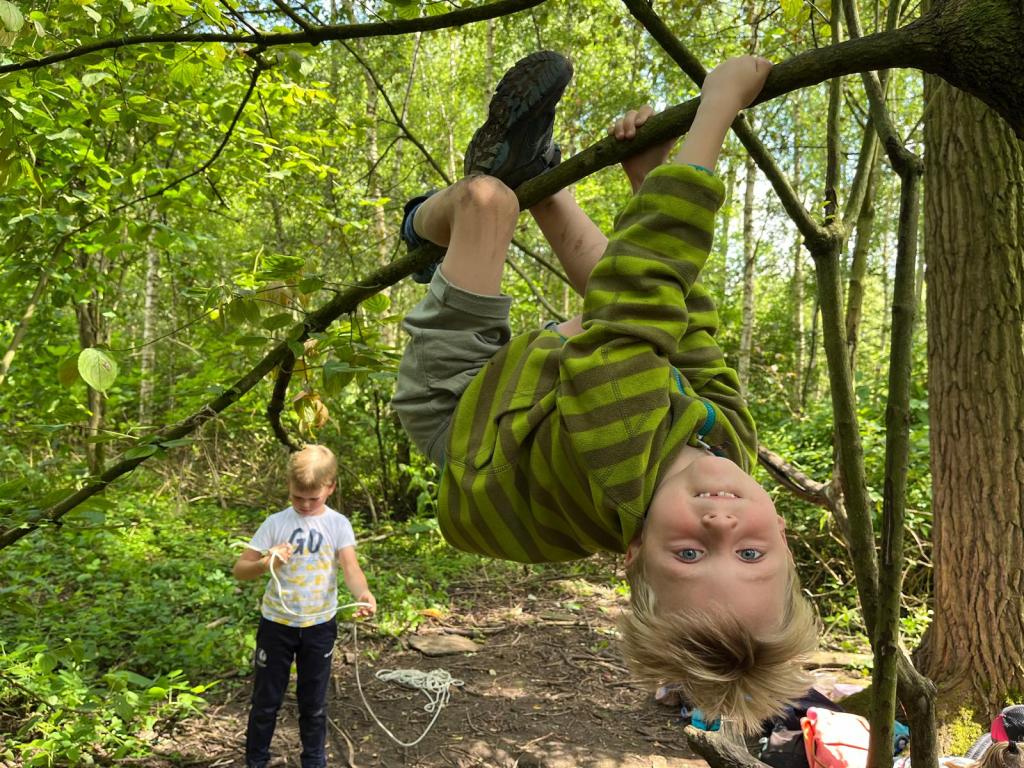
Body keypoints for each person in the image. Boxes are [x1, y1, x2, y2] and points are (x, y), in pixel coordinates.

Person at [391, 51, 818, 732]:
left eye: (689, 555)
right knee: (624, 320)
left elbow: (639, 291)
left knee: (486, 203)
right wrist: (648, 177)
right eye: (750, 554)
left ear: (634, 553)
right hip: (537, 419)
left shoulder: (624, 465)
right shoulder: (731, 449)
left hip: (465, 418)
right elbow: (683, 325)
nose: (721, 527)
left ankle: (419, 222)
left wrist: (717, 109)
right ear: (784, 541)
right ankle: (540, 177)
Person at [233, 444, 377, 768]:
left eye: (314, 498)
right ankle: (256, 760)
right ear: (289, 487)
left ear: (331, 487)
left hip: (319, 627)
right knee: (266, 701)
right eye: (298, 497)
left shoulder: (337, 524)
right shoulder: (276, 523)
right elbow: (240, 569)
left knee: (313, 703)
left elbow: (350, 567)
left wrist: (364, 593)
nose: (306, 505)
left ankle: (314, 761)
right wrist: (267, 563)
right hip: (277, 625)